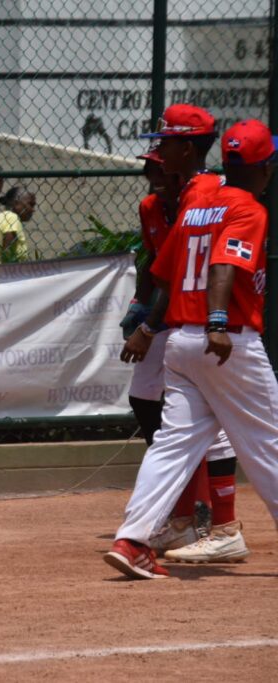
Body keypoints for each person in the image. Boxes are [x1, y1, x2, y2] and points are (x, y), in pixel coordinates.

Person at [104, 117, 278, 579]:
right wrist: (217, 321)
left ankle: (132, 539)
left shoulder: (197, 205)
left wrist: (152, 325)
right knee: (269, 443)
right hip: (226, 341)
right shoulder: (247, 208)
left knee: (171, 447)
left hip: (180, 341)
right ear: (265, 167)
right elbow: (224, 264)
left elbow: (164, 273)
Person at [119, 135, 237, 556]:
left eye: (159, 165)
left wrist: (148, 328)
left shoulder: (204, 199)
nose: (154, 173)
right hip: (167, 316)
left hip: (201, 319)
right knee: (145, 398)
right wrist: (139, 306)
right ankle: (185, 512)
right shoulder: (151, 207)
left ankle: (217, 520)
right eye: (150, 167)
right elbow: (155, 265)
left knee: (216, 422)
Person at [0, 187, 36, 264]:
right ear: (15, 203)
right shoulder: (12, 218)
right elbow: (8, 253)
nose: (33, 209)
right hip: (7, 270)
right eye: (30, 204)